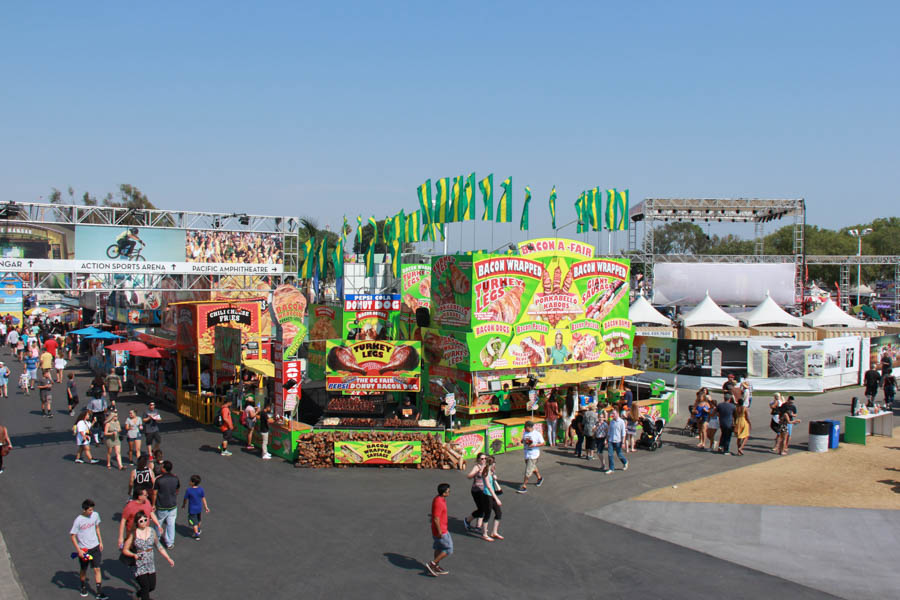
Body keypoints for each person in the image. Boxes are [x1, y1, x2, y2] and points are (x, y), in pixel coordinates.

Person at [121, 510, 175, 600]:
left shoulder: (151, 531)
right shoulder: (133, 534)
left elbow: (159, 546)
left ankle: (138, 595)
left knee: (151, 586)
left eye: (145, 520)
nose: (144, 522)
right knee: (145, 587)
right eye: (141, 521)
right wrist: (133, 555)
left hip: (150, 563)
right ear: (137, 523)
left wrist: (168, 558)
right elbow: (125, 550)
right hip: (139, 564)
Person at [69, 499, 108, 599]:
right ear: (84, 510)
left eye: (92, 509)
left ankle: (99, 593)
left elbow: (97, 528)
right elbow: (73, 536)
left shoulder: (95, 515)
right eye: (90, 510)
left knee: (97, 569)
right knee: (84, 569)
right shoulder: (78, 520)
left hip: (95, 547)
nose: (91, 512)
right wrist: (79, 550)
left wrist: (100, 541)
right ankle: (83, 586)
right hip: (85, 550)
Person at [425, 483, 452, 577]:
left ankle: (435, 566)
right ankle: (432, 564)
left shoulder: (440, 499)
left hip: (440, 529)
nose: (449, 492)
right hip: (441, 530)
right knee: (449, 549)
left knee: (438, 548)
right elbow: (436, 518)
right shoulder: (439, 502)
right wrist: (440, 531)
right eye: (448, 491)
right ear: (444, 493)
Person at [153, 460, 180, 549]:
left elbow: (154, 493)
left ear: (164, 469)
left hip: (161, 505)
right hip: (172, 505)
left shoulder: (159, 479)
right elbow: (177, 490)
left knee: (158, 522)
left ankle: (156, 540)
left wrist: (153, 504)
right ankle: (169, 543)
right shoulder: (175, 478)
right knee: (171, 524)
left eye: (162, 466)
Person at [463, 453, 490, 535]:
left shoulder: (487, 466)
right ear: (478, 459)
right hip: (476, 490)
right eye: (482, 459)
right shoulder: (477, 467)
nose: (484, 460)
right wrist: (477, 472)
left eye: (485, 458)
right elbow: (469, 476)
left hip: (484, 490)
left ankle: (478, 526)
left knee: (483, 508)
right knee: (482, 509)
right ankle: (467, 520)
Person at [517, 421, 544, 493]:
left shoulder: (537, 434)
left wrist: (534, 445)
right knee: (533, 467)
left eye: (525, 427)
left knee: (528, 471)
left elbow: (542, 443)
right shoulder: (525, 433)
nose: (524, 429)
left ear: (529, 427)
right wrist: (523, 441)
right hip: (527, 454)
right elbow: (523, 440)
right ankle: (539, 478)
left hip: (533, 455)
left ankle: (524, 486)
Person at [182, 474, 209, 540]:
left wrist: (184, 505)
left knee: (193, 522)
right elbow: (203, 498)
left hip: (192, 509)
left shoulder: (189, 490)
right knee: (199, 519)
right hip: (199, 508)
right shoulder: (201, 489)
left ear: (193, 482)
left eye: (190, 481)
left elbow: (185, 499)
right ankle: (198, 529)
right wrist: (206, 507)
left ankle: (196, 534)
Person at [483, 457, 503, 540]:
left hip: (492, 494)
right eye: (494, 464)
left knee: (498, 513)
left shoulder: (491, 472)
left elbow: (493, 485)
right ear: (491, 464)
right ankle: (484, 534)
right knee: (487, 514)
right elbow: (489, 487)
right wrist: (496, 499)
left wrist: (495, 479)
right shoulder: (486, 473)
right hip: (487, 495)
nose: (495, 465)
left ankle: (494, 532)